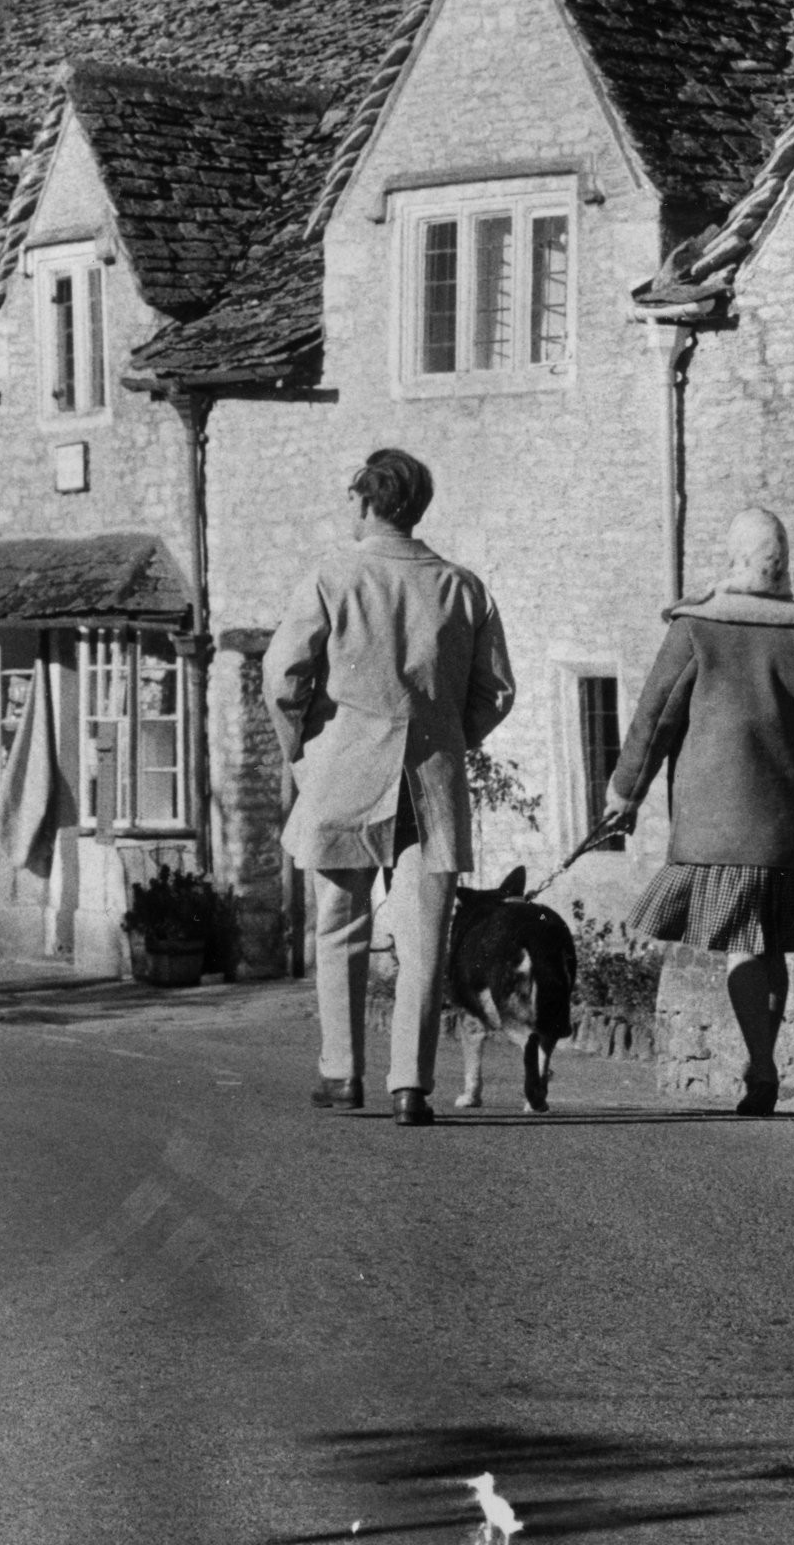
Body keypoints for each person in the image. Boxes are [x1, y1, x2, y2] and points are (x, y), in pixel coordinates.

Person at [268, 446, 516, 1128]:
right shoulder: (462, 586)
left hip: (345, 769)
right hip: (429, 778)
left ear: (367, 500)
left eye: (354, 495)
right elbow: (496, 690)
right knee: (423, 939)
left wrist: (302, 753)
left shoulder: (333, 575)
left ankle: (341, 1073)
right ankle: (411, 1084)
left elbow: (283, 677)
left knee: (339, 924)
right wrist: (447, 735)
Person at [603, 507, 794, 1115]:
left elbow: (654, 720)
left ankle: (764, 1068)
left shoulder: (697, 625)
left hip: (719, 829)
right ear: (783, 564)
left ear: (735, 559)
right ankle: (763, 1063)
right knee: (770, 945)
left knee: (745, 947)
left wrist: (626, 795)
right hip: (791, 834)